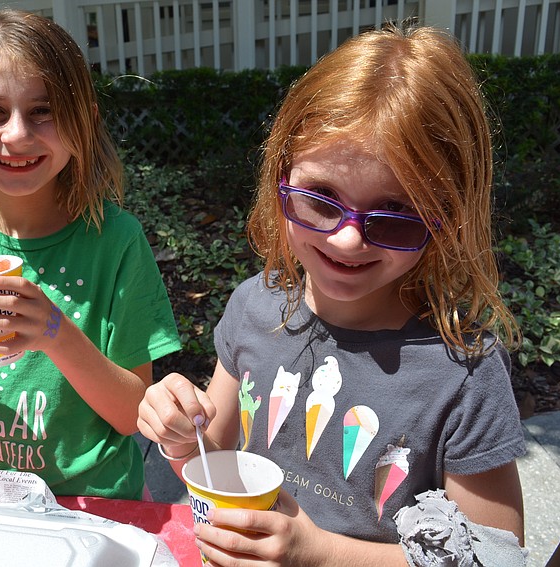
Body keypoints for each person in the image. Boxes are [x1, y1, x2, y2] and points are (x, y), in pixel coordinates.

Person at [137, 22, 526, 564]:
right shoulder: (255, 306)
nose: (348, 237)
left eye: (394, 216)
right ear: (280, 177)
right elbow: (213, 461)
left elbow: (496, 555)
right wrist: (179, 436)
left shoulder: (461, 370)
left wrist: (318, 554)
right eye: (321, 198)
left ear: (448, 219)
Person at [0, 10, 180, 500]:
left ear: (84, 119)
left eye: (44, 111)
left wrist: (54, 332)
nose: (18, 135)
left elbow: (134, 417)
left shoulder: (115, 241)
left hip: (97, 502)